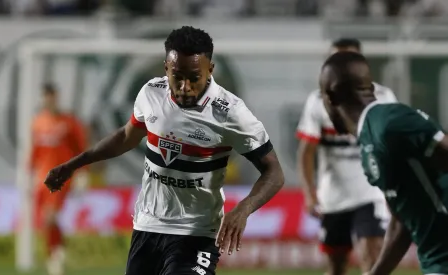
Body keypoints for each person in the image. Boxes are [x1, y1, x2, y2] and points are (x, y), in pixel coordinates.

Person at [43, 26, 285, 275]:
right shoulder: (151, 93)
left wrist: (243, 210)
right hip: (147, 227)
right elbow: (126, 136)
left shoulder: (231, 112)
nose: (184, 87)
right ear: (166, 68)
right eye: (177, 76)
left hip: (197, 234)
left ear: (210, 70)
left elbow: (274, 172)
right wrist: (74, 164)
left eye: (194, 78)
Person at [320, 50, 448, 275]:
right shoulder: (371, 141)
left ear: (329, 97)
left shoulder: (389, 122)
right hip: (436, 262)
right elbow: (401, 221)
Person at [296, 38, 396, 275]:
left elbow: (393, 149)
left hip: (371, 193)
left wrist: (395, 190)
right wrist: (309, 194)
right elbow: (306, 152)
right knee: (336, 266)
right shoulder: (318, 101)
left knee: (372, 257)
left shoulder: (383, 97)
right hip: (333, 197)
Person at [30, 84, 88, 275]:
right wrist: (29, 172)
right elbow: (35, 151)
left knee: (49, 216)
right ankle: (57, 251)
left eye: (51, 96)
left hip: (61, 177)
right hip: (41, 178)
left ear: (57, 97)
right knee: (45, 221)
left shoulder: (69, 122)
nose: (48, 100)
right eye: (45, 96)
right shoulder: (38, 122)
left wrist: (82, 172)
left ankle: (54, 257)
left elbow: (81, 149)